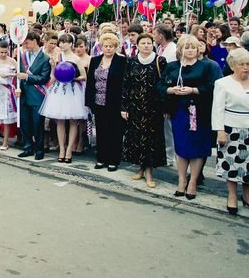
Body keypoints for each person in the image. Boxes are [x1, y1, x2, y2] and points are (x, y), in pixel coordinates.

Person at [158, 34, 222, 200]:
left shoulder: (207, 66)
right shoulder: (173, 66)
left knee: (197, 146)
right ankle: (182, 180)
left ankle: (193, 181)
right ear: (180, 49)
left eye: (193, 47)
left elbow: (214, 86)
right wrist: (171, 90)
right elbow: (160, 85)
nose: (190, 50)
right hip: (179, 111)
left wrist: (193, 90)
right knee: (181, 145)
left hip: (199, 111)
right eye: (187, 47)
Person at [212, 48, 249, 215]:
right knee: (232, 164)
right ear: (232, 66)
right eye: (241, 64)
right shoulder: (222, 83)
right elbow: (217, 109)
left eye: (248, 64)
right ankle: (232, 196)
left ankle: (248, 197)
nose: (246, 67)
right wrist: (220, 131)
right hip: (232, 129)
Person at [121, 33, 167, 187]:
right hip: (135, 107)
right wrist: (124, 107)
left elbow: (164, 84)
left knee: (150, 140)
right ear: (138, 45)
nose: (146, 46)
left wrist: (165, 106)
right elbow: (126, 84)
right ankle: (141, 168)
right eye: (143, 43)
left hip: (153, 108)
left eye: (149, 43)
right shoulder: (131, 61)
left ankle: (149, 172)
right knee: (137, 139)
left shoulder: (160, 61)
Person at [43, 34, 90, 164]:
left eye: (65, 42)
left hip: (73, 90)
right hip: (59, 90)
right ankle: (62, 149)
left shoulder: (76, 59)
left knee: (73, 121)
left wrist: (73, 78)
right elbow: (53, 74)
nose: (62, 44)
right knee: (60, 121)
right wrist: (49, 85)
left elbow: (84, 76)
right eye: (61, 42)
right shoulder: (57, 57)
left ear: (71, 44)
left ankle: (69, 149)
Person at [85, 33, 126, 170]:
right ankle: (101, 158)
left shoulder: (121, 61)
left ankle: (113, 160)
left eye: (111, 46)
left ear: (115, 47)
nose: (108, 48)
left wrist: (124, 105)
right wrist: (88, 101)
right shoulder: (95, 60)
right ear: (101, 47)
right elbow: (90, 81)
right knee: (101, 131)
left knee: (114, 132)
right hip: (98, 101)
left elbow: (124, 83)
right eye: (106, 46)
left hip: (114, 102)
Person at [15, 32, 52, 159]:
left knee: (37, 123)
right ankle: (27, 147)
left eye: (27, 42)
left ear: (35, 41)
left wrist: (27, 77)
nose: (25, 45)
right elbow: (18, 75)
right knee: (24, 122)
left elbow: (44, 78)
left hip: (37, 95)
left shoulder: (45, 58)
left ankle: (39, 150)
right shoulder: (22, 56)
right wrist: (17, 87)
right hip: (23, 94)